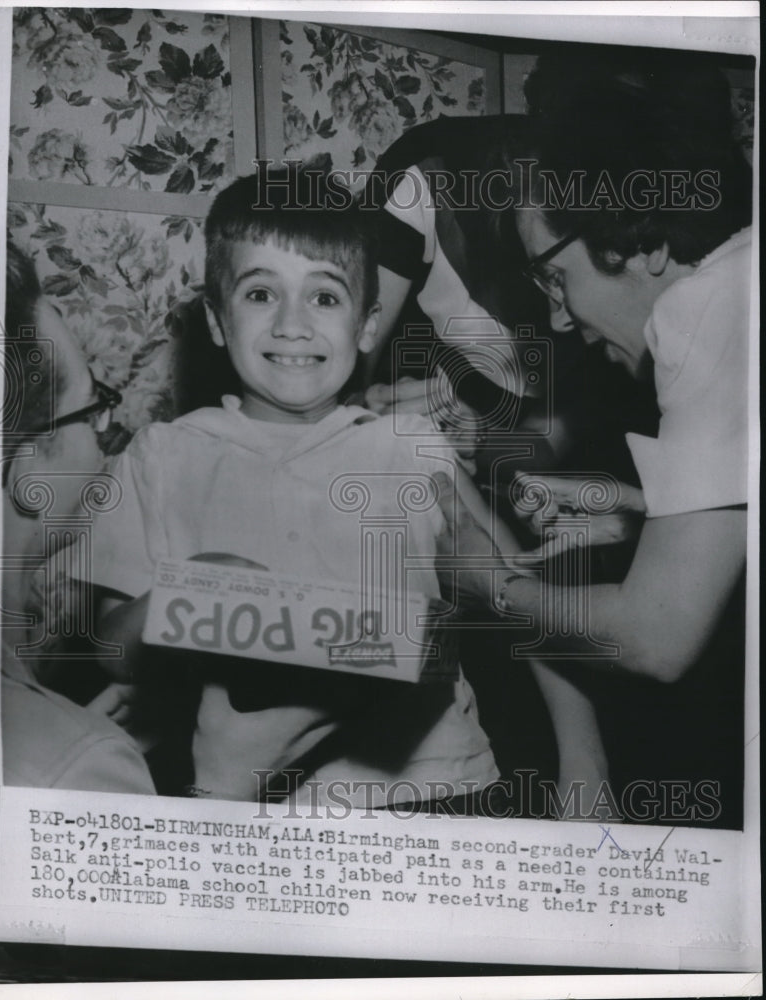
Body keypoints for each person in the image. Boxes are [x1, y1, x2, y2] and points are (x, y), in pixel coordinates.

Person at [87, 167, 605, 809]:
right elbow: (113, 650)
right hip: (256, 803)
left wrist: (586, 771)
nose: (293, 325)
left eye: (325, 297)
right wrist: (187, 588)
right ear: (217, 319)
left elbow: (522, 599)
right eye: (259, 294)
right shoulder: (164, 457)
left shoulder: (408, 446)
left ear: (366, 324)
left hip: (439, 791)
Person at [438, 58, 752, 828]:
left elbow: (655, 639)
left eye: (554, 277)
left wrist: (488, 585)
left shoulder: (704, 313)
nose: (553, 320)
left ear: (640, 240)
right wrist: (635, 512)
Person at [0, 243, 156, 791]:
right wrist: (228, 776)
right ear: (29, 478)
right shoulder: (78, 765)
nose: (102, 441)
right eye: (91, 410)